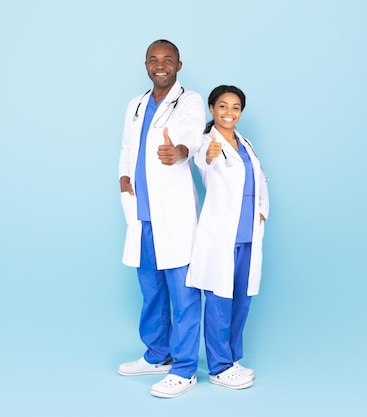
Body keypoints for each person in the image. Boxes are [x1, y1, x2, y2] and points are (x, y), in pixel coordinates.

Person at [117, 39, 205, 398]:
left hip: (174, 214)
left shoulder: (190, 100)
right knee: (151, 291)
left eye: (168, 59)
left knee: (182, 294)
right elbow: (127, 147)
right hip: (142, 213)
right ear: (145, 64)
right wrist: (124, 176)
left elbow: (193, 134)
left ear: (179, 65)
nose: (160, 65)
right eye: (154, 59)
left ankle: (185, 369)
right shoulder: (136, 104)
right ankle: (158, 355)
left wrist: (180, 150)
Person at [186, 85, 269, 390]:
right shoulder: (208, 142)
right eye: (223, 106)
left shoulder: (245, 142)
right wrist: (208, 157)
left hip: (248, 232)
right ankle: (219, 367)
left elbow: (259, 178)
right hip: (223, 233)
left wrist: (261, 210)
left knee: (242, 300)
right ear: (211, 108)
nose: (229, 113)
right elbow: (205, 168)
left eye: (235, 107)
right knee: (220, 300)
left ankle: (232, 359)